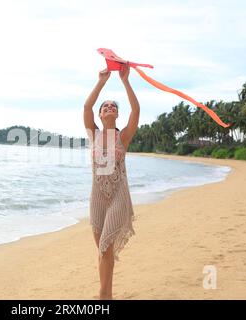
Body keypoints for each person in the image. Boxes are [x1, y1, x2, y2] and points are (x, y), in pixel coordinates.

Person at [83, 63, 140, 300]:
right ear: (100, 114)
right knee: (102, 251)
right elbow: (86, 106)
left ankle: (103, 295)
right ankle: (107, 295)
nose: (108, 107)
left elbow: (136, 110)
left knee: (106, 246)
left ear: (116, 114)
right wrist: (102, 80)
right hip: (97, 197)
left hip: (118, 196)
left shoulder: (123, 136)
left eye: (112, 106)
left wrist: (125, 80)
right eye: (105, 106)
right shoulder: (93, 134)